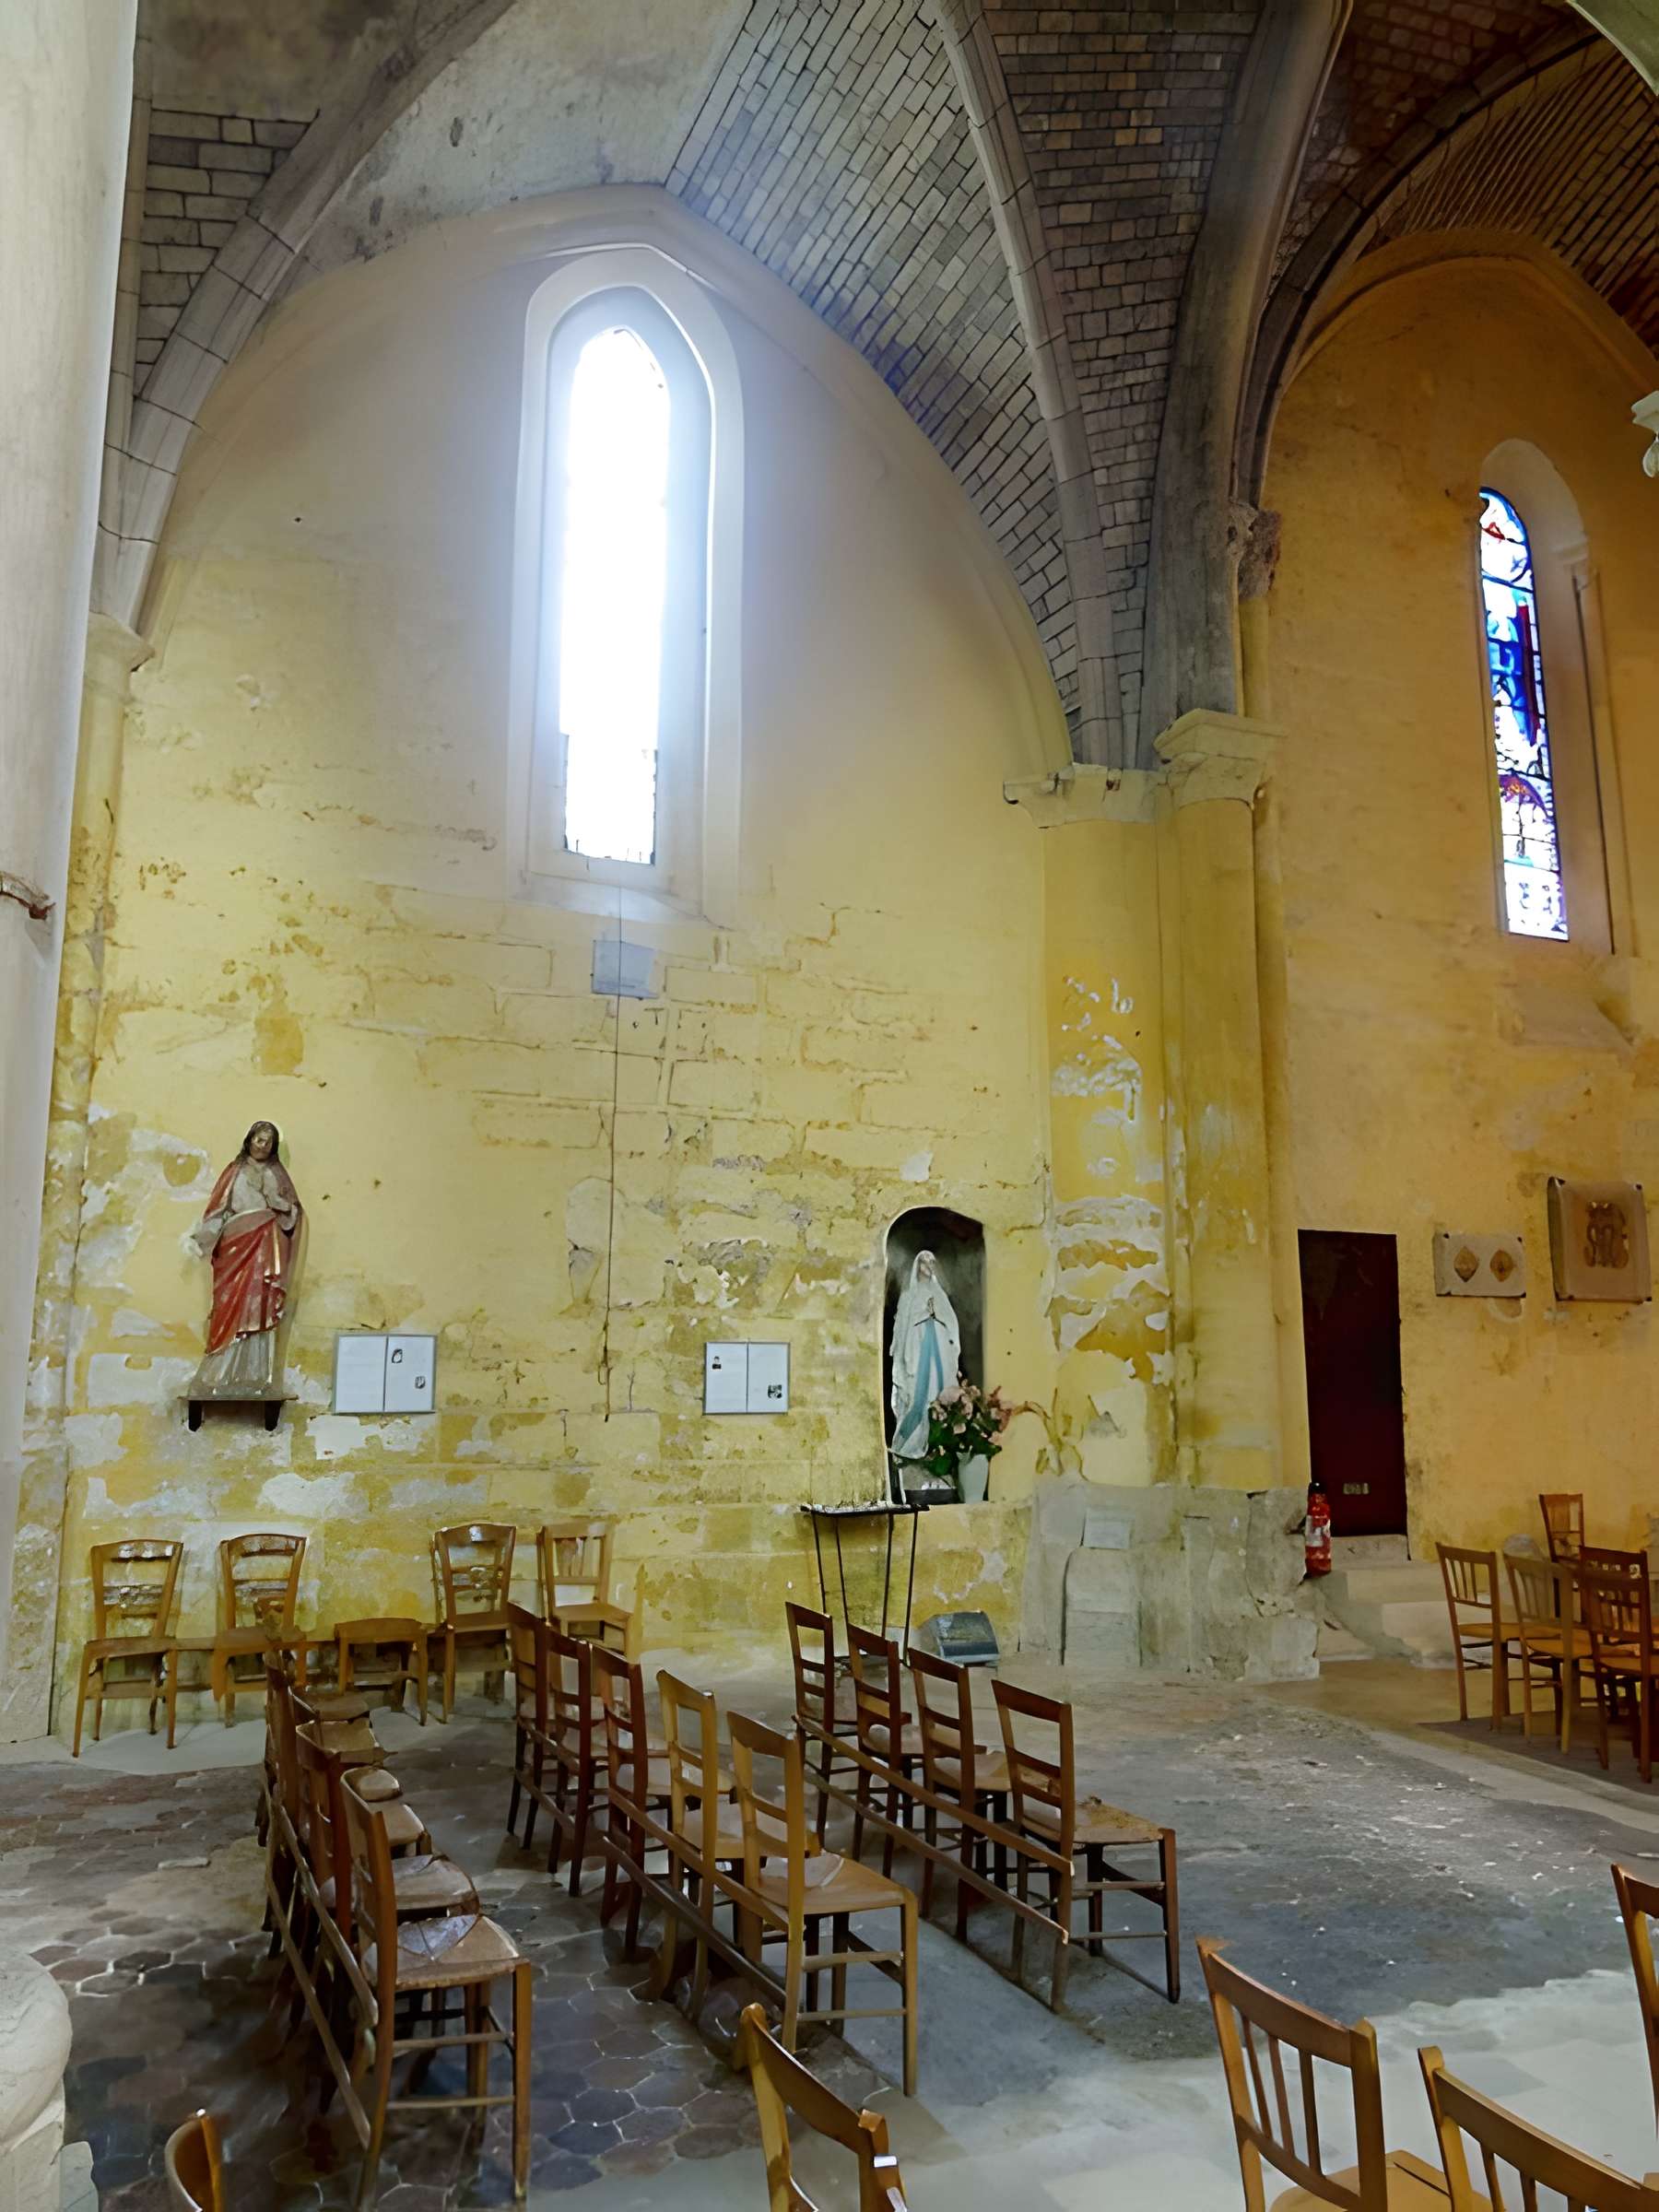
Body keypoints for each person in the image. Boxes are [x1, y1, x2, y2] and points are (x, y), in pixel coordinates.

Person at [188, 1120, 302, 1397]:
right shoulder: (234, 1172)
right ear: (249, 1140)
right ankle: (219, 1371)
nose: (263, 1146)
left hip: (265, 1245)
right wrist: (207, 1235)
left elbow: (293, 1214)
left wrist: (282, 1205)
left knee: (259, 1304)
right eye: (259, 1139)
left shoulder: (277, 1174)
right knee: (229, 1306)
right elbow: (217, 1211)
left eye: (268, 1142)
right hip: (234, 1249)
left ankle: (255, 1373)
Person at [888, 1250, 961, 1465]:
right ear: (917, 1265)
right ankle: (907, 1447)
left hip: (938, 1353)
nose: (928, 1265)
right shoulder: (909, 1295)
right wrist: (923, 1315)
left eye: (932, 1261)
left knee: (938, 1394)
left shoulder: (939, 1294)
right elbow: (903, 1326)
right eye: (924, 1261)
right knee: (916, 1398)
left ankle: (938, 1448)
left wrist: (936, 1317)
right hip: (917, 1351)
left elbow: (951, 1324)